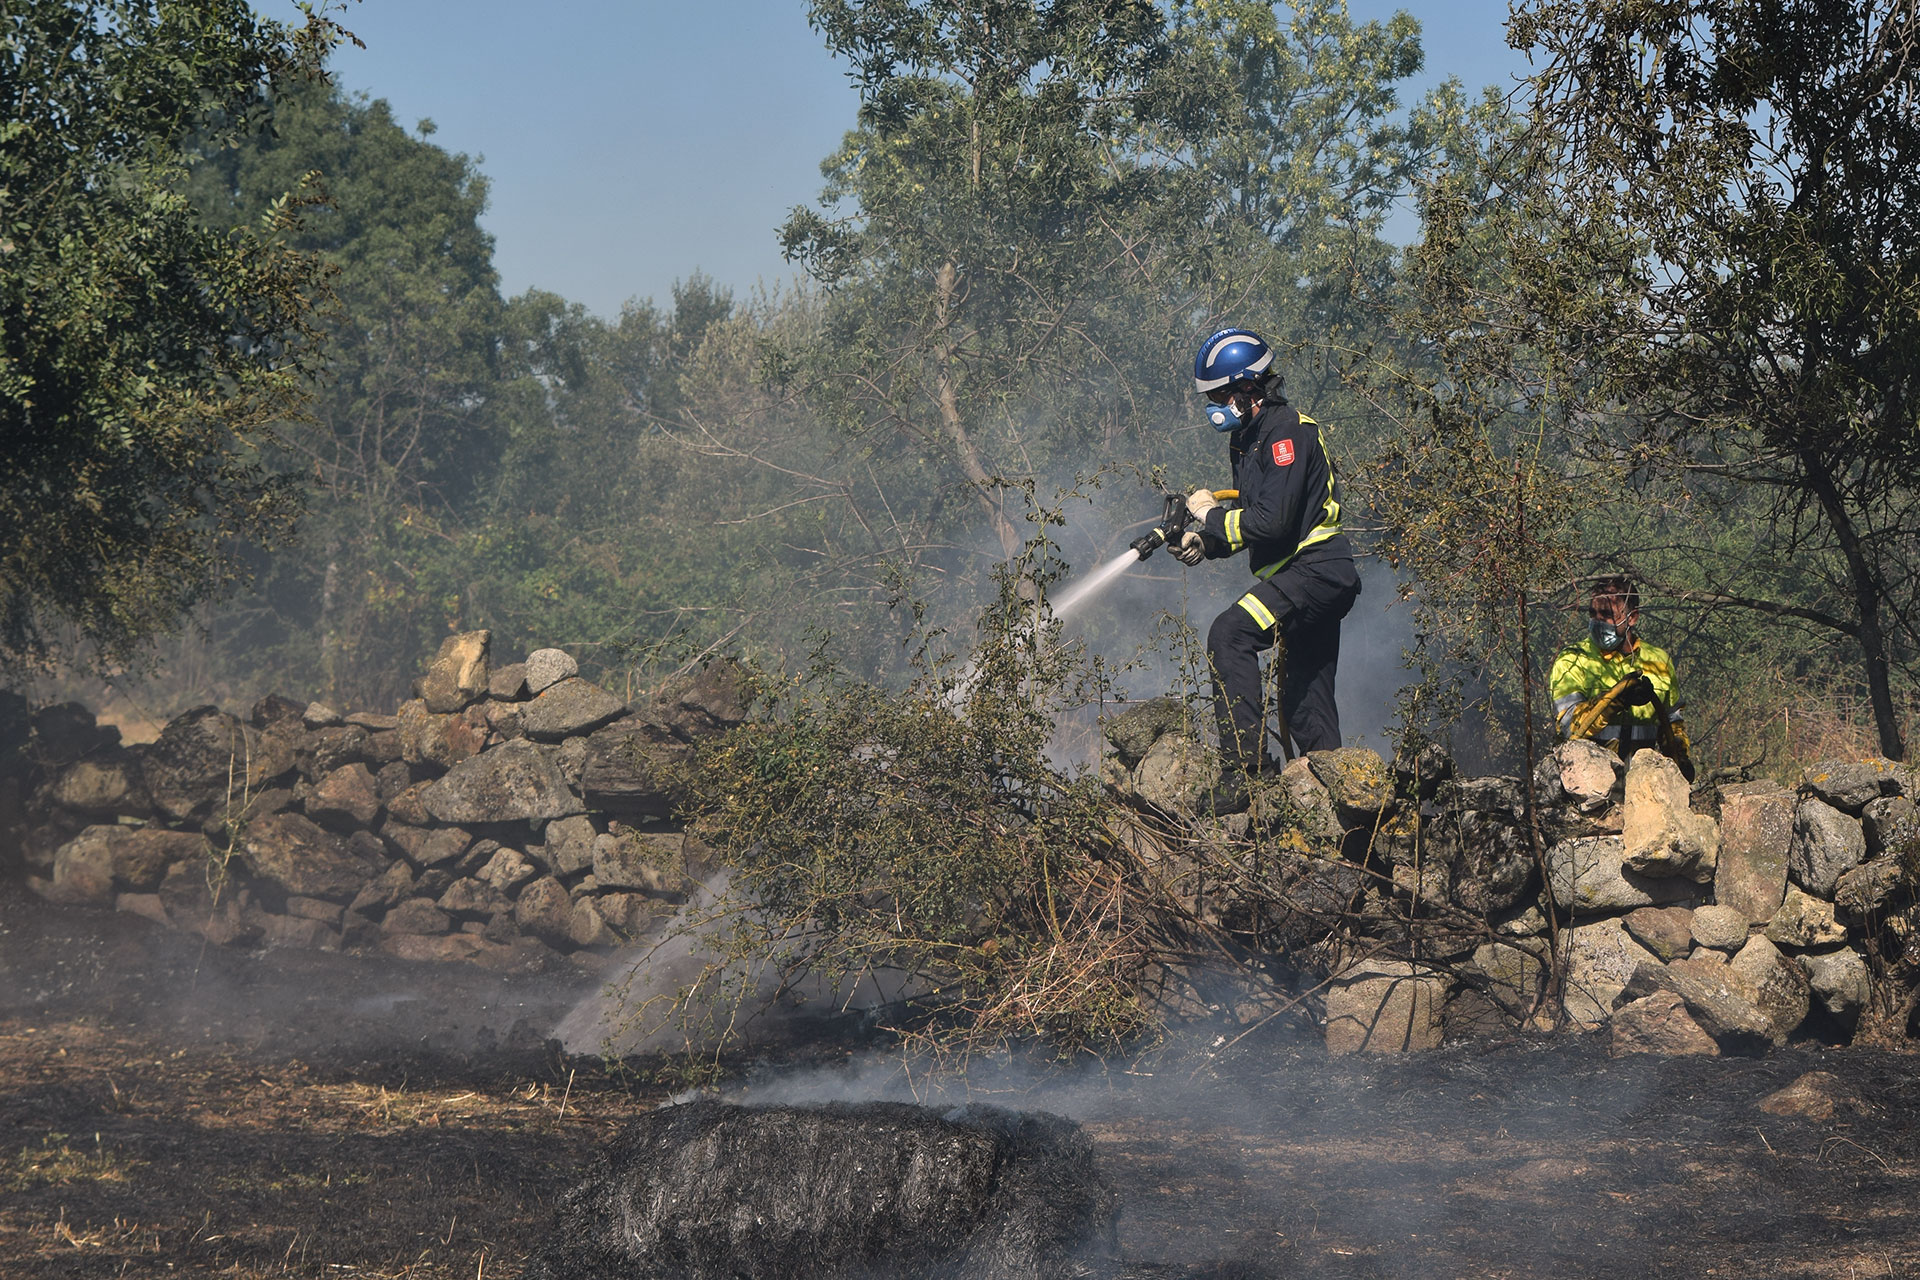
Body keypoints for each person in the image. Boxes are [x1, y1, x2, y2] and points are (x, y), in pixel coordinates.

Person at [1171, 328, 1360, 815]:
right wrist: (1205, 542)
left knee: (1229, 634)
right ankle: (1338, 810)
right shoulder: (1246, 441)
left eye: (1217, 394)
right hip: (1300, 573)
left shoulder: (1285, 431)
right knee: (1305, 701)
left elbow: (1272, 520)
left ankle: (1245, 773)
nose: (1213, 405)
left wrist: (1209, 514)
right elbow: (1261, 527)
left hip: (1317, 569)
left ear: (1246, 387)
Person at [1549, 575, 1696, 781]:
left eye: (1606, 614)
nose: (1597, 621)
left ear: (1632, 617)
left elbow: (1672, 721)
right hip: (1588, 785)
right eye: (1593, 613)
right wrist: (1614, 701)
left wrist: (1680, 758)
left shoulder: (1658, 661)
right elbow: (1569, 727)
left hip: (1642, 783)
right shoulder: (1572, 660)